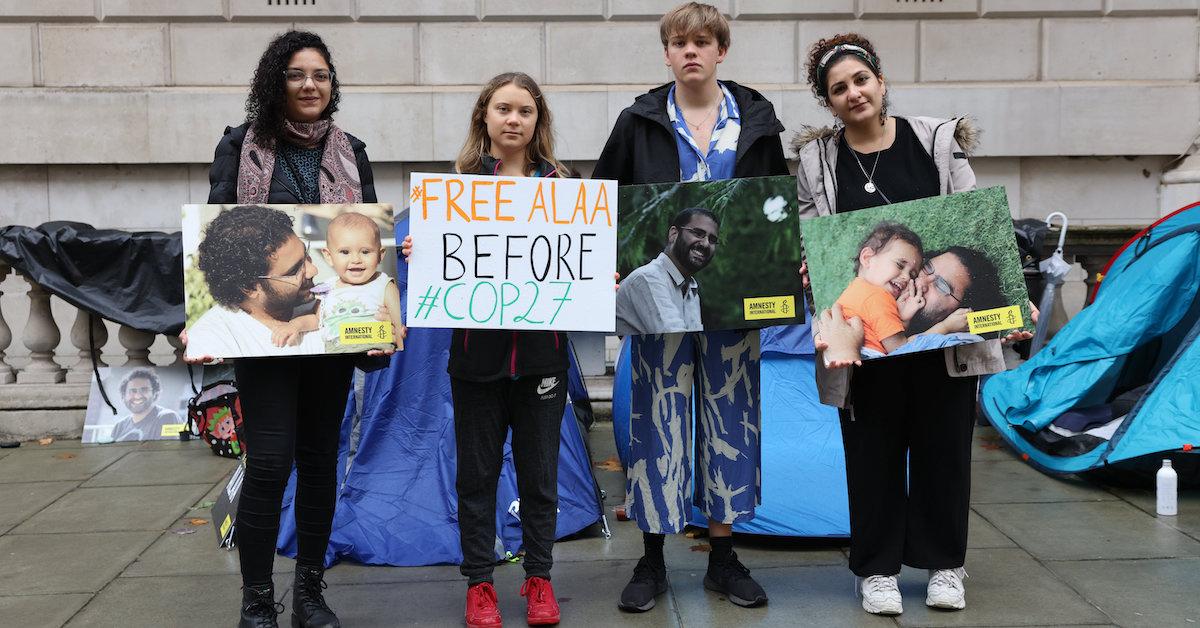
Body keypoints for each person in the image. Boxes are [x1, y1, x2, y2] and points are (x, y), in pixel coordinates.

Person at [794, 33, 1031, 616]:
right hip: (863, 340)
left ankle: (946, 564)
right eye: (838, 89)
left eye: (861, 80)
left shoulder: (935, 142)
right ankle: (876, 569)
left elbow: (974, 217)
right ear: (827, 102)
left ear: (880, 80)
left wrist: (1003, 313)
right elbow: (810, 235)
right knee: (870, 451)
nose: (854, 94)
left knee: (944, 448)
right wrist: (808, 265)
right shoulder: (815, 162)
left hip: (940, 347)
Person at [183, 30, 391, 628]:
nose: (310, 85)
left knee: (322, 459)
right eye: (298, 74)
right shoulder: (240, 147)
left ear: (333, 84)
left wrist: (389, 264)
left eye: (321, 75)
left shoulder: (352, 149)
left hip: (331, 335)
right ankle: (255, 599)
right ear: (277, 81)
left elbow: (367, 235)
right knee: (270, 463)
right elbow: (212, 232)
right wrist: (203, 324)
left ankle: (309, 591)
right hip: (266, 339)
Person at [594, 2, 788, 612]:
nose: (691, 51)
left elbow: (775, 207)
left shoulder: (756, 119)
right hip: (657, 299)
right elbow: (604, 198)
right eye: (680, 43)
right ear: (668, 53)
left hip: (730, 299)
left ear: (721, 50)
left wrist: (789, 259)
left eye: (702, 41)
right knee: (657, 422)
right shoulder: (639, 121)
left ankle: (724, 558)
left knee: (733, 422)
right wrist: (612, 261)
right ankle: (652, 558)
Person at [402, 71, 571, 628]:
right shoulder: (458, 187)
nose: (513, 120)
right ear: (485, 117)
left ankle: (539, 578)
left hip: (542, 359)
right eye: (503, 109)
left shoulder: (561, 187)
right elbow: (439, 259)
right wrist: (417, 249)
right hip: (477, 361)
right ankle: (480, 585)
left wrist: (598, 277)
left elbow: (578, 262)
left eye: (525, 111)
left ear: (537, 120)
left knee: (540, 474)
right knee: (475, 476)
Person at [189, 204, 326, 357]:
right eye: (294, 271)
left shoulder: (330, 301)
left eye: (306, 255)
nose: (313, 270)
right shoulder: (213, 341)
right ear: (250, 287)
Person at [271, 211, 402, 353]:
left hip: (376, 348)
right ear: (329, 256)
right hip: (338, 351)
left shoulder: (383, 284)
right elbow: (318, 319)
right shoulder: (327, 288)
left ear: (380, 254)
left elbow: (398, 325)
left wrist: (397, 347)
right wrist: (294, 325)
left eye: (365, 252)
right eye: (345, 252)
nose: (356, 259)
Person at [615, 207, 719, 336]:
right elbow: (677, 344)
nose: (705, 244)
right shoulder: (648, 278)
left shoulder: (691, 291)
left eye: (712, 240)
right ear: (673, 234)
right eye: (698, 233)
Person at [834, 221, 925, 354]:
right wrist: (946, 326)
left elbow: (881, 336)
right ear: (867, 258)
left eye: (912, 275)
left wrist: (902, 321)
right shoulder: (877, 296)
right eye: (900, 265)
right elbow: (902, 349)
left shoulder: (855, 290)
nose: (906, 278)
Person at [108, 368, 182, 442]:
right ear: (123, 396)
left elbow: (171, 451)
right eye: (132, 391)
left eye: (144, 390)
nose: (138, 396)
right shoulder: (119, 427)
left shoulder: (168, 417)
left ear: (155, 393)